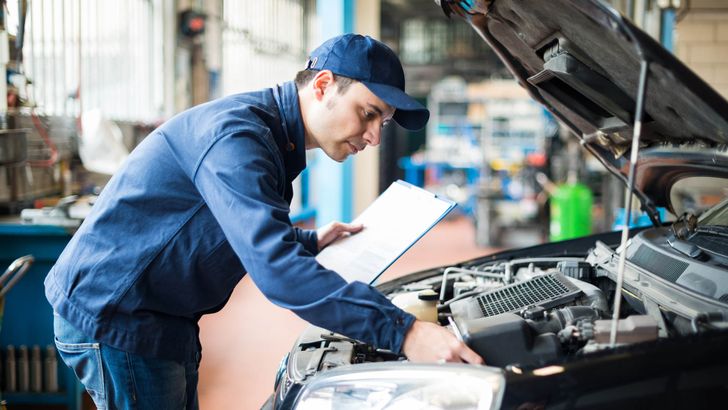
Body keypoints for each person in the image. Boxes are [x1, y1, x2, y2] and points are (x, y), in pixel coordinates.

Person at [45, 33, 483, 409]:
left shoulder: (274, 138)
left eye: (382, 123)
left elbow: (220, 221)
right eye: (369, 113)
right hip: (119, 314)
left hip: (161, 314)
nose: (373, 136)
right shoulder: (238, 138)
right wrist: (404, 332)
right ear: (323, 85)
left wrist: (308, 240)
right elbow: (277, 273)